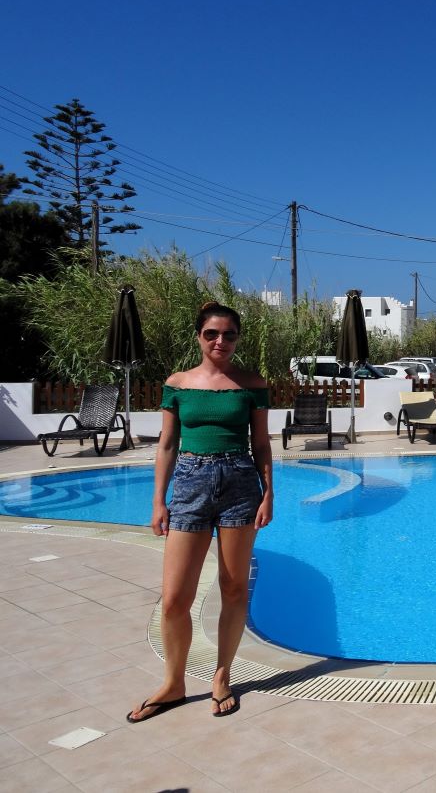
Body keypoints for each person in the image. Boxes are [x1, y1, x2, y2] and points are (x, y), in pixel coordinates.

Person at [127, 302, 272, 722]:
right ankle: (173, 683)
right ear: (199, 336)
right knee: (174, 599)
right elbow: (167, 444)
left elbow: (261, 444)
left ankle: (222, 675)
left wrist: (268, 493)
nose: (220, 341)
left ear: (237, 337)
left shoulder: (251, 383)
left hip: (240, 483)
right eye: (211, 333)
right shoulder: (178, 383)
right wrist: (159, 500)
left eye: (228, 334)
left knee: (232, 588)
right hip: (190, 484)